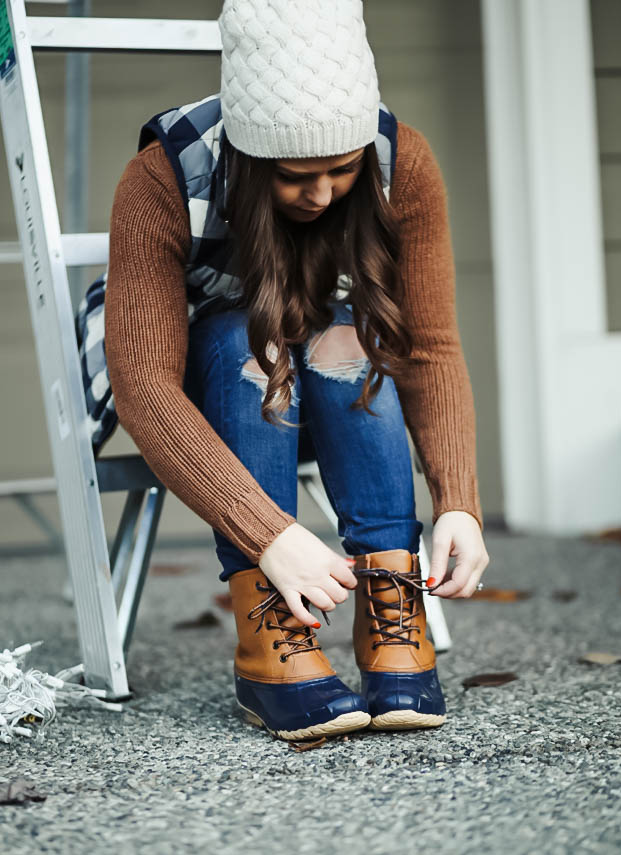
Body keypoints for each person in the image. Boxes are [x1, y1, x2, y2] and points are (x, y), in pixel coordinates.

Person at [97, 0, 490, 741]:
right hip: (211, 390)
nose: (320, 194)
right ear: (248, 159)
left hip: (332, 374)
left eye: (340, 170)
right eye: (295, 176)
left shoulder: (401, 165)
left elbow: (431, 346)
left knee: (347, 343)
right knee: (249, 344)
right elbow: (145, 382)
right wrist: (270, 533)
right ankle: (270, 635)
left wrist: (460, 501)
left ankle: (391, 608)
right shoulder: (163, 178)